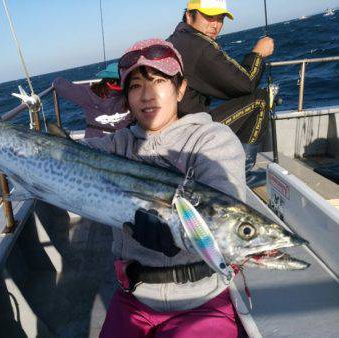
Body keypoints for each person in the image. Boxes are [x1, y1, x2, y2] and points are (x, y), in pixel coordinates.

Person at [83, 38, 246, 338]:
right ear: (126, 98)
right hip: (133, 298)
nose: (147, 95)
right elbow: (63, 156)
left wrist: (183, 234)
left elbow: (226, 206)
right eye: (135, 86)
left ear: (181, 88)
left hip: (201, 300)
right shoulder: (117, 145)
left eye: (159, 81)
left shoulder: (211, 140)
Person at [167, 0, 275, 173]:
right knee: (260, 100)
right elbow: (245, 84)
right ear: (189, 15)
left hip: (175, 135)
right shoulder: (200, 46)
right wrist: (258, 54)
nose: (215, 25)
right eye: (209, 17)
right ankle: (242, 172)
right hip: (190, 138)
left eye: (220, 18)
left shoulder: (176, 40)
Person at [53, 62, 132, 138]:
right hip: (124, 141)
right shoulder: (132, 95)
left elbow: (59, 84)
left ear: (105, 79)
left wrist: (57, 80)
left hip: (94, 143)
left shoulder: (89, 93)